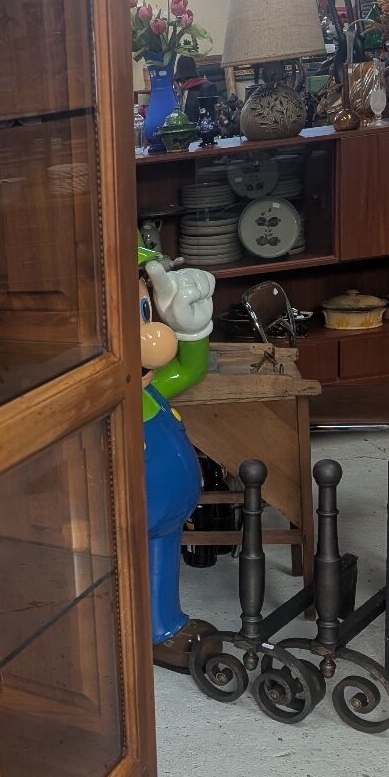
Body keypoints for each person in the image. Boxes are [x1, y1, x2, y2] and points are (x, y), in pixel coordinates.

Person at [138, 236, 217, 668]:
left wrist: (193, 329)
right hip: (130, 517)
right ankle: (124, 634)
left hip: (162, 518)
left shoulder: (147, 391)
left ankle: (161, 628)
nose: (153, 338)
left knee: (161, 561)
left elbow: (191, 367)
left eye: (145, 312)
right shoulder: (110, 405)